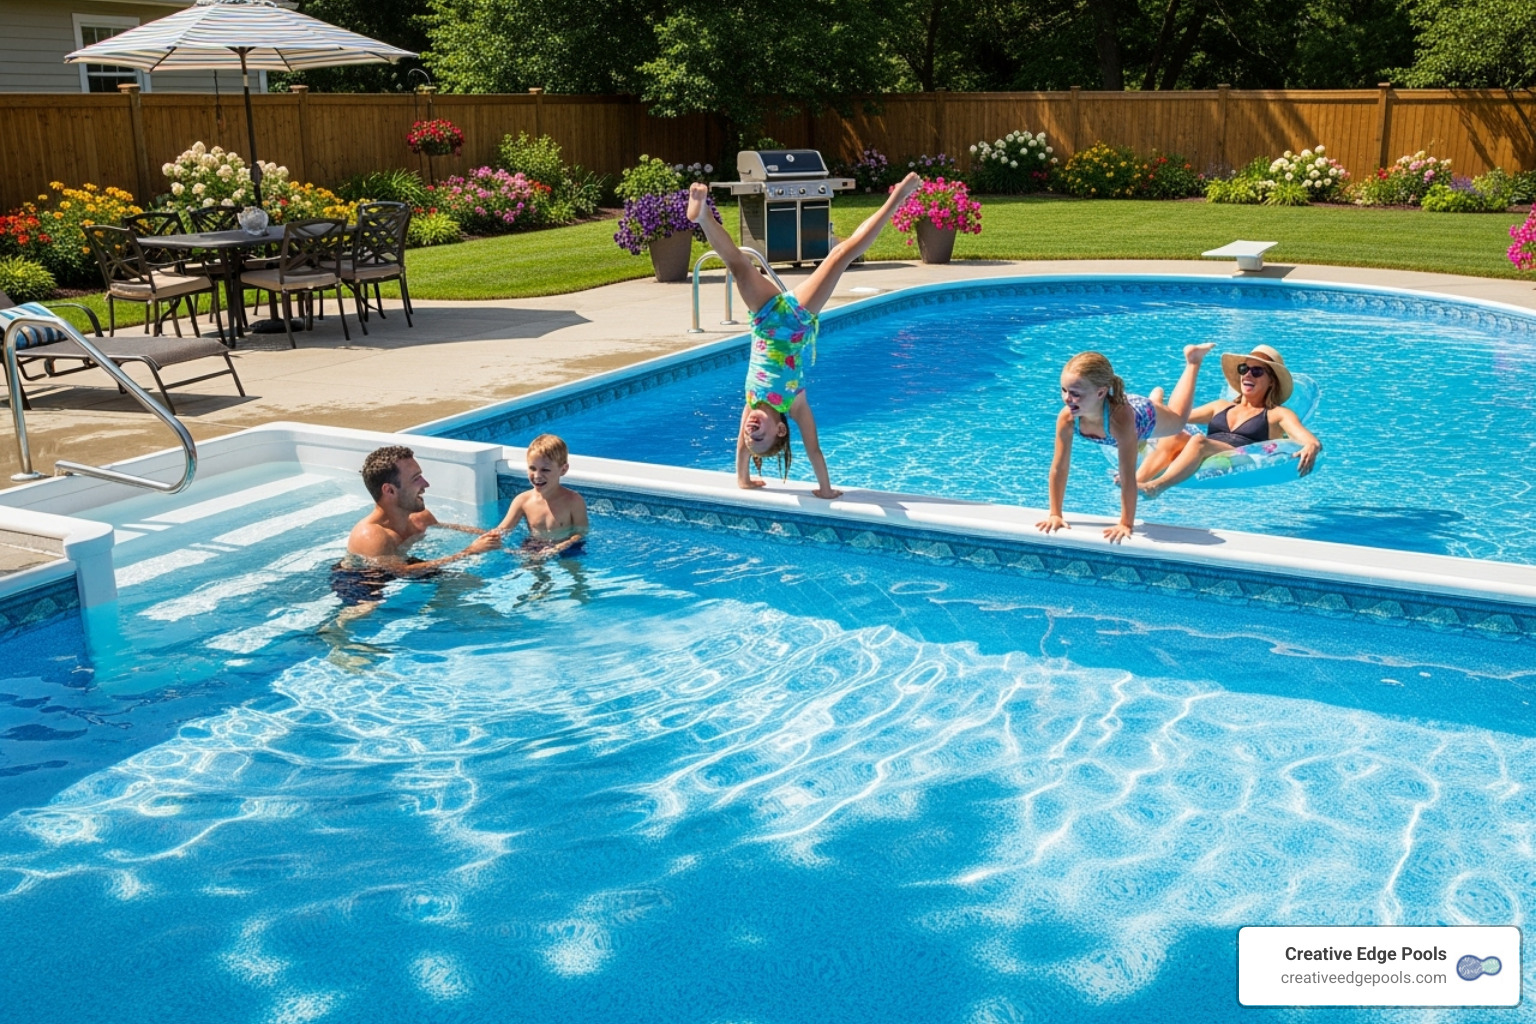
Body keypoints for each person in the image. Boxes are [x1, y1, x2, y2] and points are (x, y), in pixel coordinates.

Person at [686, 172, 923, 498]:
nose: (749, 432)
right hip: (797, 318)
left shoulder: (751, 402)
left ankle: (702, 218)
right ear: (780, 430)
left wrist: (743, 480)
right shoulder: (795, 405)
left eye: (749, 436)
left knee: (738, 264)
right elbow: (814, 449)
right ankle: (898, 197)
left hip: (766, 317)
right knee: (842, 254)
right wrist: (825, 490)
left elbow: (742, 450)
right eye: (760, 437)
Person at [1037, 344, 1215, 543]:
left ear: (1100, 392)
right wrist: (1055, 513)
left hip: (1144, 416)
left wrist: (1126, 523)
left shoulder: (1119, 421)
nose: (1066, 399)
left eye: (1075, 393)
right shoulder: (1067, 418)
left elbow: (1128, 476)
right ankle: (1156, 397)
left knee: (1179, 420)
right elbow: (1059, 468)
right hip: (1129, 420)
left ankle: (1193, 361)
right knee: (1141, 443)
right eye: (1064, 390)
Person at [1135, 344, 1322, 497]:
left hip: (1240, 455)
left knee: (1199, 441)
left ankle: (1157, 486)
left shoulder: (1277, 414)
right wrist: (1156, 407)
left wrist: (1312, 446)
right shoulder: (1220, 406)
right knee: (1175, 434)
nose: (1248, 374)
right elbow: (1176, 417)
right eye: (1244, 369)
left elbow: (1309, 440)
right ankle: (1134, 482)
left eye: (1257, 371)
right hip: (1203, 451)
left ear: (1271, 381)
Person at [332, 444, 502, 611]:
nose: (426, 484)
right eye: (416, 479)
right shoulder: (371, 534)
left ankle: (431, 610)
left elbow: (448, 529)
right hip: (363, 579)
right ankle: (334, 632)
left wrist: (493, 534)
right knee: (365, 612)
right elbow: (403, 572)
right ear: (389, 490)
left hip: (401, 564)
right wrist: (469, 552)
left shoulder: (420, 518)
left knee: (470, 582)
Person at [494, 433, 589, 559]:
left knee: (576, 572)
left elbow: (581, 532)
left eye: (545, 470)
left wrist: (561, 546)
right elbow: (502, 531)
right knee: (529, 568)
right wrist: (481, 537)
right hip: (535, 545)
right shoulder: (522, 501)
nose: (537, 475)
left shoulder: (573, 500)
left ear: (563, 470)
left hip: (567, 546)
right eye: (532, 468)